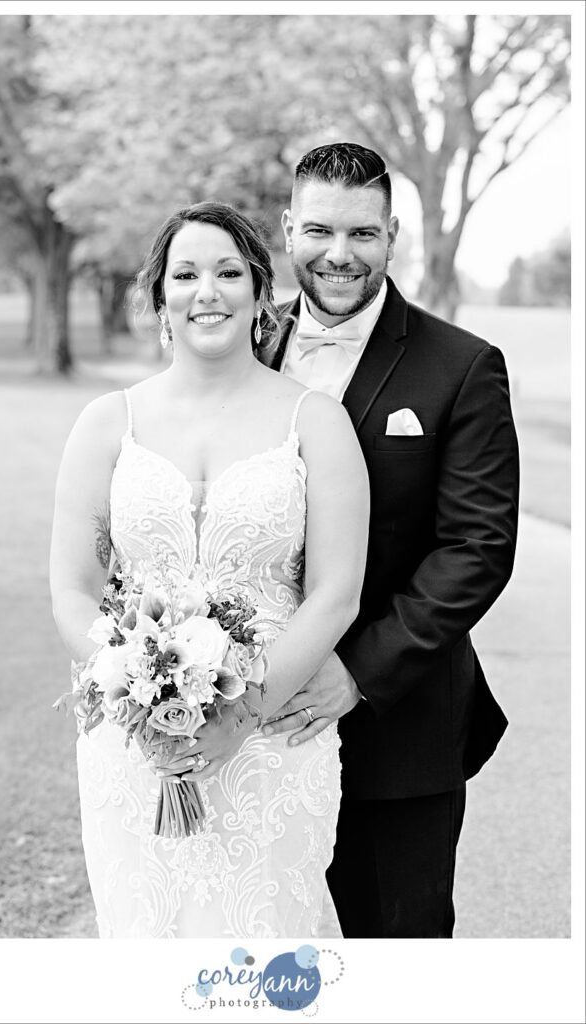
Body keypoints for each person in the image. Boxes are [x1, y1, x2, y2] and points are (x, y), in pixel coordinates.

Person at [49, 201, 369, 938]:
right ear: (159, 295)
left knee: (261, 962)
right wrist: (133, 687)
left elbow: (335, 593)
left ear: (260, 293)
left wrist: (240, 713)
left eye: (229, 273)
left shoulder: (315, 422)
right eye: (186, 274)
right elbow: (71, 589)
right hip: (132, 751)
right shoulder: (106, 424)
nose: (208, 291)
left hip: (272, 742)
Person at [263, 142, 520, 938]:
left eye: (362, 235)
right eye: (318, 231)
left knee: (396, 961)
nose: (338, 255)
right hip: (256, 729)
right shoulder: (242, 343)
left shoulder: (461, 365)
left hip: (396, 728)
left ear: (392, 234)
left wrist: (357, 675)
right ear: (286, 229)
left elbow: (475, 547)